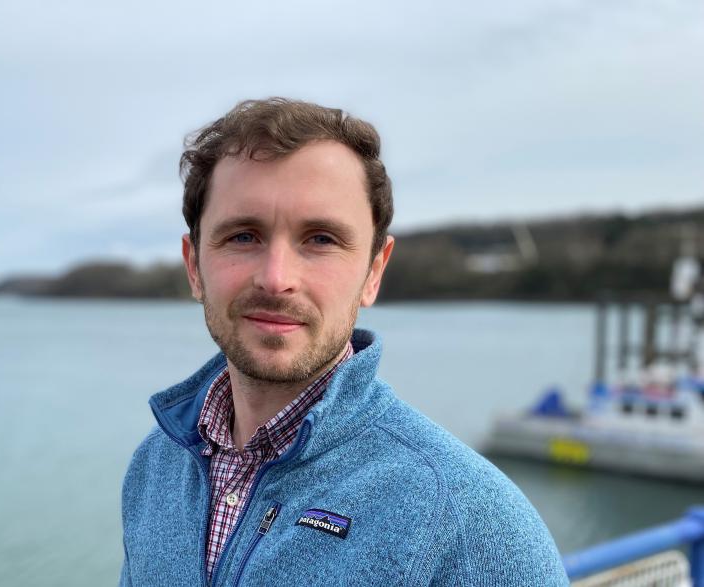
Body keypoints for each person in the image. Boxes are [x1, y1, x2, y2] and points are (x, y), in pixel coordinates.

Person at [118, 98, 568, 586]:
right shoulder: (156, 466)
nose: (276, 279)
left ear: (374, 271)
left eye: (321, 239)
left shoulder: (468, 522)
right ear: (194, 265)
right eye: (244, 237)